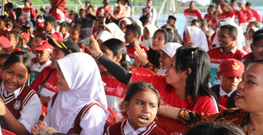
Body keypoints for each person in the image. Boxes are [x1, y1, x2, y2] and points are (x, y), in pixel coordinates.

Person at [88, 37, 219, 114]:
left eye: (172, 65)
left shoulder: (205, 104)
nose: (166, 67)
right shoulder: (160, 82)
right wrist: (99, 55)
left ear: (186, 73)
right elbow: (126, 77)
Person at [34, 52, 110, 135]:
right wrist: (42, 130)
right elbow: (48, 124)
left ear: (79, 77)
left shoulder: (92, 113)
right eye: (59, 70)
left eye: (64, 74)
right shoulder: (57, 97)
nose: (58, 76)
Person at [0, 51, 42, 135]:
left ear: (27, 77)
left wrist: (5, 112)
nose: (13, 80)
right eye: (10, 73)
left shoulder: (31, 98)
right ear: (3, 70)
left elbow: (24, 133)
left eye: (20, 77)